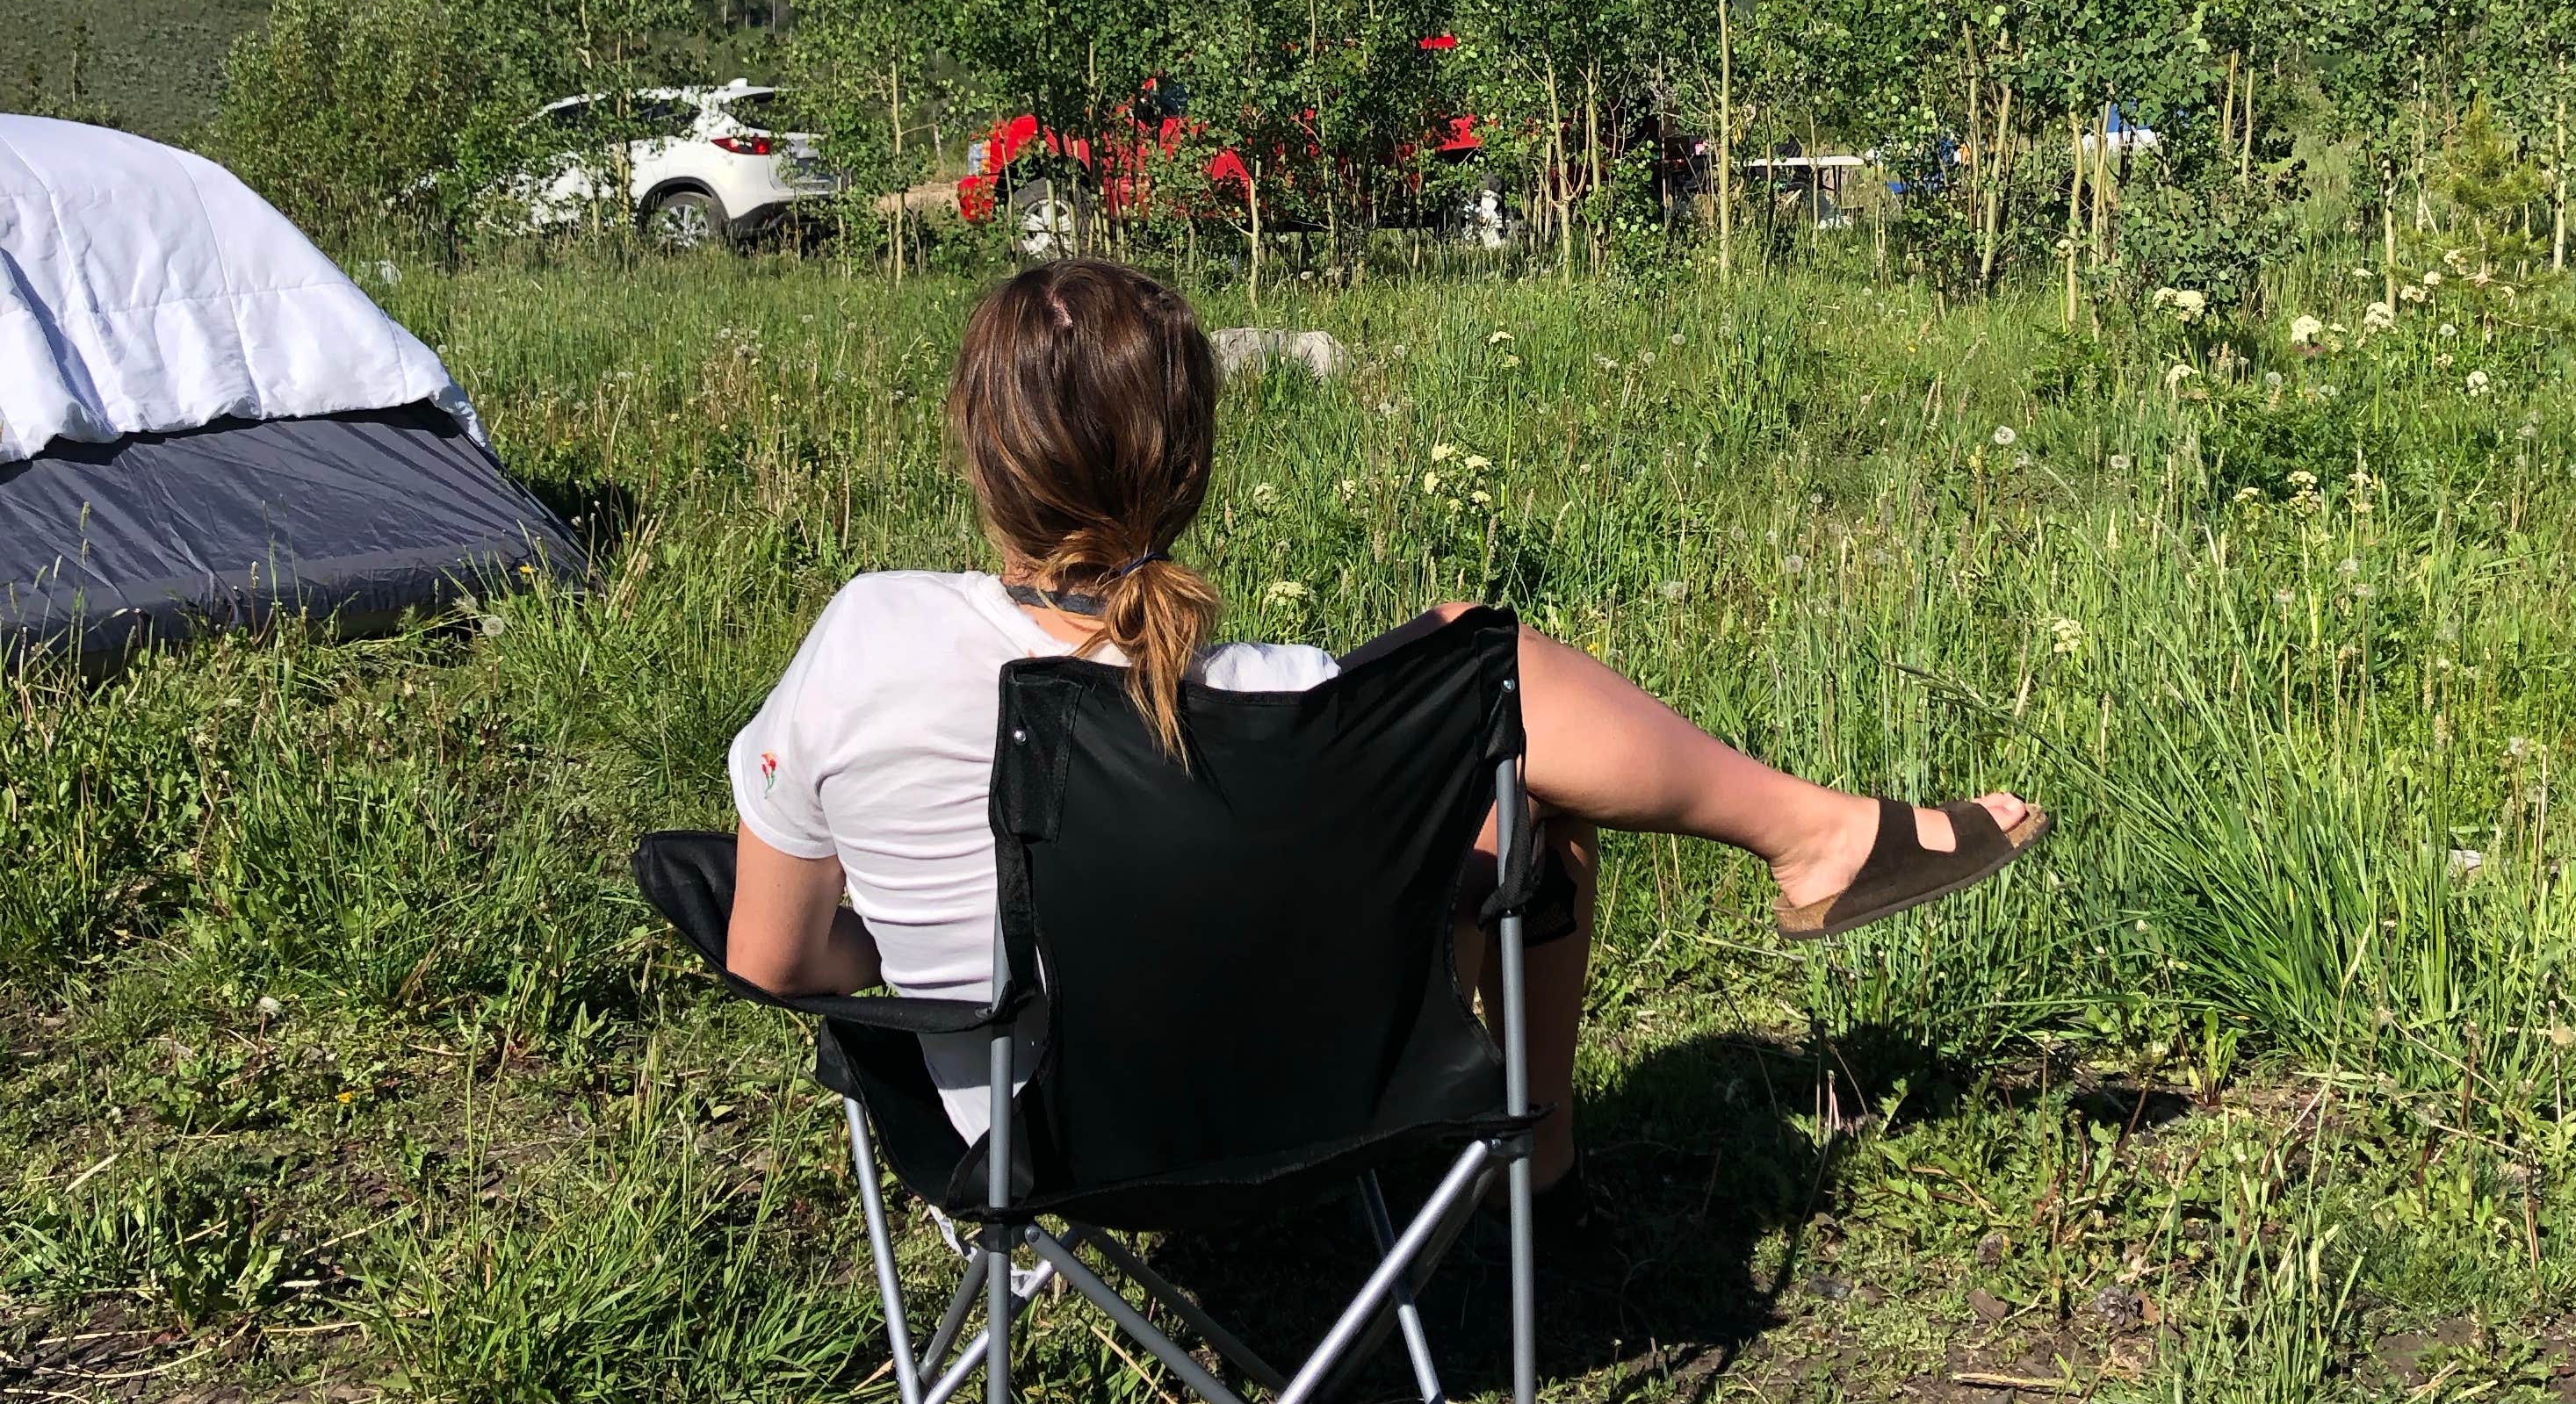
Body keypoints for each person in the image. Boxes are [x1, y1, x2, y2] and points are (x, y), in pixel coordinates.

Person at [725, 260, 2045, 1193]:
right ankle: (1568, 1124)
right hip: (1336, 1114)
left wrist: (926, 927)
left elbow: (776, 961)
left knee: (1486, 719)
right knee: (1500, 728)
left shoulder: (867, 639)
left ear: (978, 450)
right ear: (1193, 466)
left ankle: (1812, 844)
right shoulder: (1298, 701)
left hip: (1040, 1150)